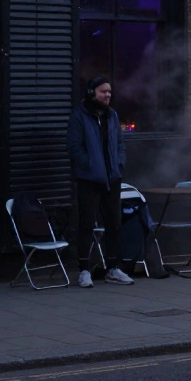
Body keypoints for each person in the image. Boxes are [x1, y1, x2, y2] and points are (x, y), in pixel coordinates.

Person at [67, 76, 134, 288]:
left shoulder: (112, 116)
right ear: (91, 93)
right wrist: (88, 166)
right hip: (89, 178)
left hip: (112, 177)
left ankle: (113, 268)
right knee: (86, 223)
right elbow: (74, 147)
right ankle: (84, 270)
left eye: (109, 92)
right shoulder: (79, 116)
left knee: (114, 224)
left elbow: (120, 144)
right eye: (103, 92)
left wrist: (119, 164)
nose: (107, 95)